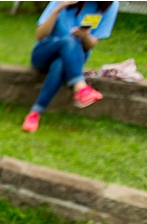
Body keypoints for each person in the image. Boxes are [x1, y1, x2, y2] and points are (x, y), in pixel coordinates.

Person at [22, 1, 119, 132]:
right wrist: (59, 7)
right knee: (69, 40)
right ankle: (80, 86)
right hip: (45, 52)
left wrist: (85, 36)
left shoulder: (110, 5)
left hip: (74, 57)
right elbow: (40, 35)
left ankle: (35, 113)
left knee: (60, 64)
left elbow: (90, 45)